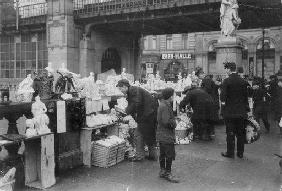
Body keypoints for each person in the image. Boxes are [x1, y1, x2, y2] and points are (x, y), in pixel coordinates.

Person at [116, 79, 158, 161]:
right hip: (149, 115)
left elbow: (136, 103)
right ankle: (152, 155)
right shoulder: (132, 91)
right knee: (148, 135)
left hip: (147, 115)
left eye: (120, 88)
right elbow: (134, 104)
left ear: (125, 87)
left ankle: (140, 156)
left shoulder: (134, 90)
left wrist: (126, 111)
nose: (120, 91)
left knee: (138, 135)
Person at [220, 62, 250, 159]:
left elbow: (223, 97)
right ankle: (240, 153)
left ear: (228, 69)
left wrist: (223, 110)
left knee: (230, 133)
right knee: (241, 133)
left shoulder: (226, 81)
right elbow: (246, 97)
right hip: (241, 112)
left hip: (230, 112)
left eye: (226, 69)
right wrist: (247, 109)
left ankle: (230, 153)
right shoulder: (243, 81)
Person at [157, 88, 179, 183]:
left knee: (163, 153)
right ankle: (168, 173)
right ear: (170, 96)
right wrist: (174, 122)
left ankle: (162, 170)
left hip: (161, 134)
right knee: (169, 154)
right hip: (166, 135)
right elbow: (166, 121)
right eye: (173, 95)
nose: (174, 97)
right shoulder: (165, 106)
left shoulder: (162, 104)